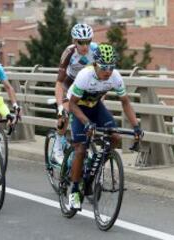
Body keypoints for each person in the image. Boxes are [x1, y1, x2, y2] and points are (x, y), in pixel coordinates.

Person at [67, 43, 143, 210]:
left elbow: (125, 103)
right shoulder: (85, 76)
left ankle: (96, 163)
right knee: (80, 148)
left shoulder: (115, 77)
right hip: (78, 107)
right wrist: (86, 123)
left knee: (115, 136)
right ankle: (74, 190)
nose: (108, 71)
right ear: (95, 64)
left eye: (111, 67)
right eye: (104, 67)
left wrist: (136, 126)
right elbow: (72, 105)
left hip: (95, 106)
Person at [53, 23, 98, 164]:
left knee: (90, 116)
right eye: (81, 42)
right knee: (64, 115)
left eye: (88, 42)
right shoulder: (69, 52)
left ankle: (85, 146)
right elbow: (59, 83)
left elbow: (102, 76)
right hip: (69, 84)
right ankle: (57, 147)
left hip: (86, 86)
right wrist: (60, 105)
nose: (85, 46)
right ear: (74, 41)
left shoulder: (96, 51)